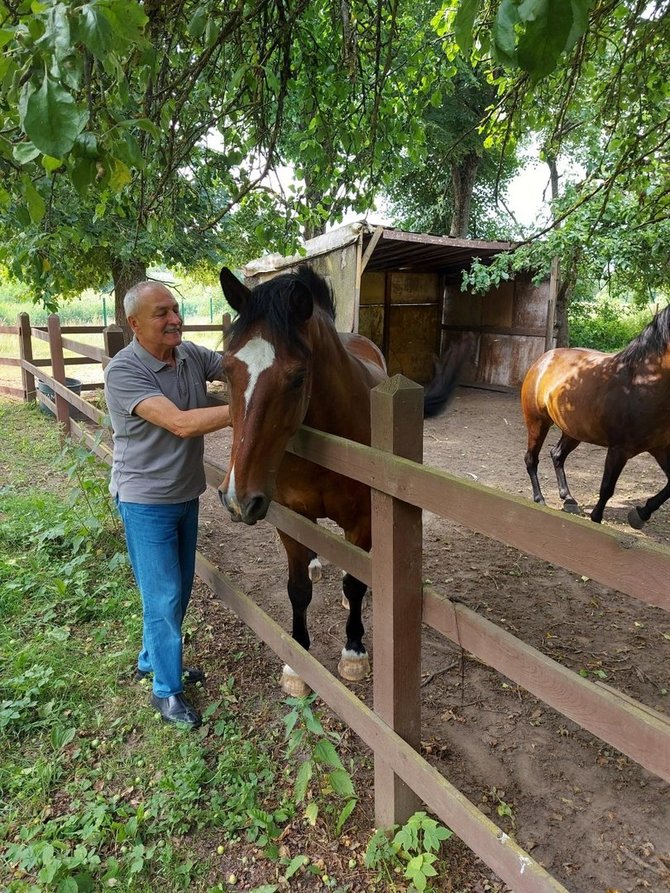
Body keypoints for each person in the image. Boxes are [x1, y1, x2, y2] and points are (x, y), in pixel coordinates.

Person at [104, 281, 231, 729]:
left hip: (184, 493)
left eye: (175, 309)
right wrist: (253, 408)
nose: (174, 319)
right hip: (144, 501)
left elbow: (235, 365)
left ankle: (152, 661)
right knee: (163, 596)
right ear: (134, 324)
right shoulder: (124, 371)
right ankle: (166, 691)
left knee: (178, 590)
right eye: (161, 313)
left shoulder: (191, 356)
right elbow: (179, 424)